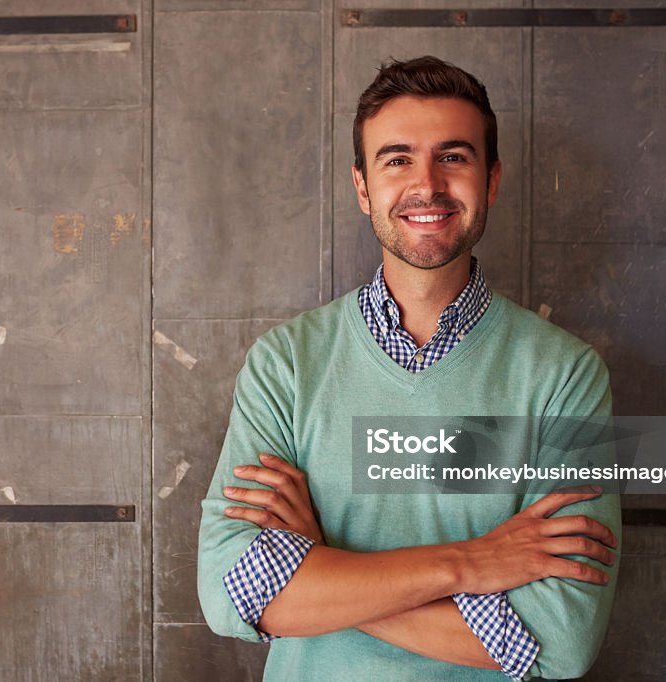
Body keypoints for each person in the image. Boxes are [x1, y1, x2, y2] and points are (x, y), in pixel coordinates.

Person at [197, 56, 621, 681]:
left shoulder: (565, 376)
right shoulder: (285, 365)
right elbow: (234, 597)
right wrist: (468, 564)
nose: (427, 185)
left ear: (492, 179)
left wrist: (324, 565)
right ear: (363, 186)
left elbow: (561, 638)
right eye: (397, 159)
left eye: (454, 156)